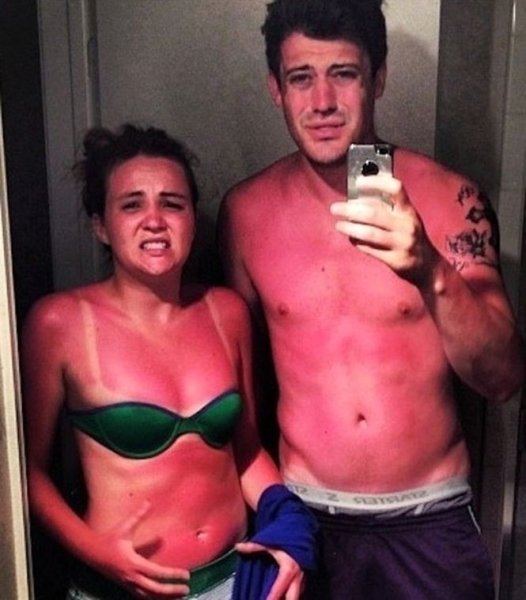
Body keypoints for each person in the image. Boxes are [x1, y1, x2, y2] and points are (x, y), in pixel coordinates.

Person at [218, 1, 525, 598]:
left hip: (428, 520)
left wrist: (430, 271)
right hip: (306, 519)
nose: (322, 101)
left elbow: (504, 378)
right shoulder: (247, 212)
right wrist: (271, 511)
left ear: (378, 79)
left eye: (344, 74)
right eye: (301, 78)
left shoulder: (447, 198)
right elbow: (235, 389)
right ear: (275, 89)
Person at [22, 123, 316, 600]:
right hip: (120, 590)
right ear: (100, 224)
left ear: (192, 220)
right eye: (132, 204)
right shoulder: (60, 323)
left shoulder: (226, 313)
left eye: (172, 203)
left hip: (233, 580)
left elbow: (245, 451)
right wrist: (98, 553)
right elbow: (27, 473)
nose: (155, 220)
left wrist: (289, 523)